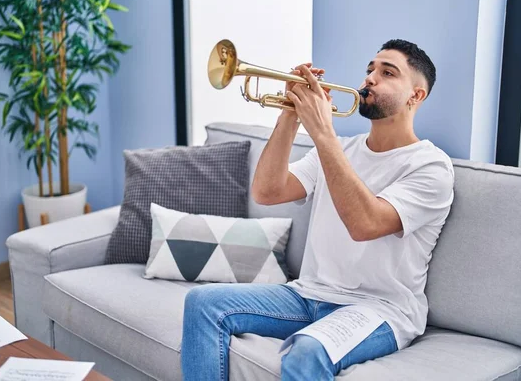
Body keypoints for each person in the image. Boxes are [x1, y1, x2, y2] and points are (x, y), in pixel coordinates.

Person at [181, 39, 455, 381]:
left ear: (416, 96)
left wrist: (323, 131)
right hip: (307, 293)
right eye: (370, 69)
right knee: (202, 304)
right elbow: (267, 191)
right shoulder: (341, 149)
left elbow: (364, 224)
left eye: (387, 73)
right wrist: (289, 116)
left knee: (307, 350)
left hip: (378, 309)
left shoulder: (430, 166)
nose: (370, 78)